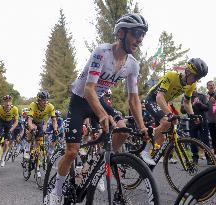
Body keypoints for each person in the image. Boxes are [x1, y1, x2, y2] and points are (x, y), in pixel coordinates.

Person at [47, 13, 149, 205]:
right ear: (121, 33)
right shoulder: (102, 52)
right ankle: (56, 190)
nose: (140, 39)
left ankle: (102, 161)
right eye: (136, 33)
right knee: (72, 151)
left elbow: (133, 98)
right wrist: (102, 115)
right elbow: (88, 89)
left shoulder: (133, 65)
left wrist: (142, 127)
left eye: (143, 35)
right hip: (80, 99)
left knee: (122, 129)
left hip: (98, 100)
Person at [144, 58, 208, 164]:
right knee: (166, 121)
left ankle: (155, 153)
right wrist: (169, 114)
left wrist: (193, 115)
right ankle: (145, 151)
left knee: (167, 130)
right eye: (195, 76)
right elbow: (159, 97)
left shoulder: (192, 85)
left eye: (199, 78)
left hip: (163, 102)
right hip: (152, 99)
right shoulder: (171, 75)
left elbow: (187, 103)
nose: (196, 80)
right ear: (187, 71)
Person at [26, 91, 58, 178]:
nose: (45, 102)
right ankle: (27, 147)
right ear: (38, 100)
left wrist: (55, 129)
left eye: (46, 100)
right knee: (31, 129)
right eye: (43, 100)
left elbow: (54, 120)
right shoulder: (33, 105)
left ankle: (37, 165)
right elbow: (29, 119)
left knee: (39, 143)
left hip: (40, 123)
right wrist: (31, 127)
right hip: (32, 121)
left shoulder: (50, 106)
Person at [181, 89, 211, 164]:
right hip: (192, 121)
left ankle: (209, 158)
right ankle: (195, 158)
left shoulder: (202, 96)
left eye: (194, 87)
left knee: (205, 140)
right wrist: (192, 104)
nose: (193, 88)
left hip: (202, 121)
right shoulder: (185, 97)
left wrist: (200, 103)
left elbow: (207, 108)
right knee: (193, 140)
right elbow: (182, 111)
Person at [0, 95, 19, 167]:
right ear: (3, 102)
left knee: (6, 143)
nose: (8, 103)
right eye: (6, 102)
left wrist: (11, 129)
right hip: (1, 121)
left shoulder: (15, 109)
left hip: (9, 123)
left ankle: (3, 158)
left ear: (11, 102)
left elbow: (16, 122)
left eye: (9, 102)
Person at [206, 80, 216, 154]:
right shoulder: (205, 97)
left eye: (213, 85)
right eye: (210, 85)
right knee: (213, 139)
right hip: (210, 121)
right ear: (207, 87)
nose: (211, 86)